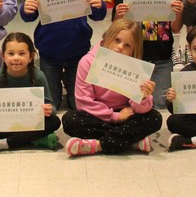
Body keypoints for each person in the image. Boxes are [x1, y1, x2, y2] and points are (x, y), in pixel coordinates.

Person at [62, 20, 163, 157]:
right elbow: (84, 103)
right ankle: (130, 140)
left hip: (127, 113)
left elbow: (141, 109)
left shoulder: (136, 66)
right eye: (117, 40)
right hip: (97, 115)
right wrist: (115, 117)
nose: (120, 47)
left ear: (134, 49)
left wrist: (144, 97)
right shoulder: (87, 62)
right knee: (70, 120)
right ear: (108, 37)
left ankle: (97, 145)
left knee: (155, 118)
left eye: (127, 45)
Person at [113, 0, 184, 109]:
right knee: (130, 102)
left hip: (162, 59)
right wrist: (119, 14)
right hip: (133, 60)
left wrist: (179, 11)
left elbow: (175, 28)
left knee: (160, 103)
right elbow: (115, 31)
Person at [0, 32, 62, 154]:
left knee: (54, 122)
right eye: (11, 54)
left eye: (22, 54)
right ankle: (35, 139)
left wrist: (48, 110)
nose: (16, 58)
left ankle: (3, 143)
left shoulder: (38, 76)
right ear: (3, 56)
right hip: (7, 124)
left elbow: (52, 107)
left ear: (31, 56)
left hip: (30, 123)